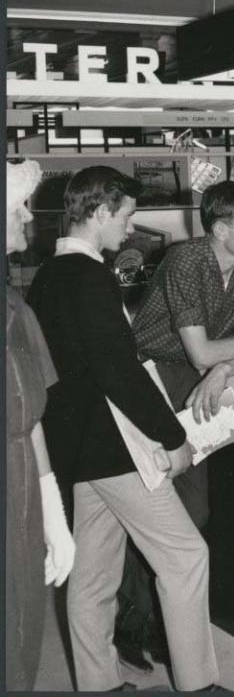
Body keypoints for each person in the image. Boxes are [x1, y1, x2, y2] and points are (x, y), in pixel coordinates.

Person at [28, 165, 221, 691]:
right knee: (186, 557)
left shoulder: (48, 277)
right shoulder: (89, 277)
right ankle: (199, 684)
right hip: (115, 449)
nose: (131, 228)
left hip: (76, 449)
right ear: (99, 212)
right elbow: (118, 372)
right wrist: (173, 438)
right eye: (127, 215)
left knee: (91, 579)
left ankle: (99, 685)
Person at [123, 180, 234, 668]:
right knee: (150, 506)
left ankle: (160, 620)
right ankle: (132, 620)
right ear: (220, 229)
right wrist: (233, 350)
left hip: (196, 380)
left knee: (192, 514)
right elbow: (209, 346)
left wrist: (223, 368)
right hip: (149, 378)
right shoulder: (187, 261)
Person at [5, 159, 76, 692]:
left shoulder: (15, 308)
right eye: (17, 207)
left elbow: (33, 419)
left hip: (21, 488)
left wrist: (53, 512)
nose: (29, 217)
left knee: (22, 630)